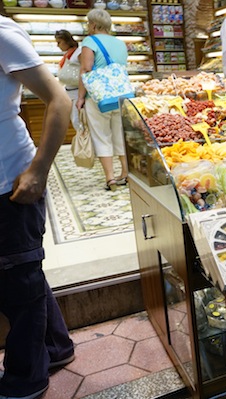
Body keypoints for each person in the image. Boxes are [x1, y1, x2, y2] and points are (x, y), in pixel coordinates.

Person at [0, 15, 75, 399]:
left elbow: (59, 100)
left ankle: (26, 378)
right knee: (20, 270)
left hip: (10, 180)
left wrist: (39, 171)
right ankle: (56, 347)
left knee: (18, 279)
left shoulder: (2, 34)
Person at [76, 9, 129, 191]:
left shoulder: (90, 41)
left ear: (93, 24)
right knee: (120, 135)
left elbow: (85, 69)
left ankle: (110, 178)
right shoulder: (120, 43)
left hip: (98, 98)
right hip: (121, 96)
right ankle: (126, 172)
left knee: (101, 135)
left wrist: (80, 97)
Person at [55, 29, 81, 132]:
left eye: (59, 42)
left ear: (66, 41)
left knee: (77, 121)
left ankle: (84, 145)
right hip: (70, 92)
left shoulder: (78, 52)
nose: (58, 45)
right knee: (75, 120)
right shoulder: (68, 54)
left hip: (77, 92)